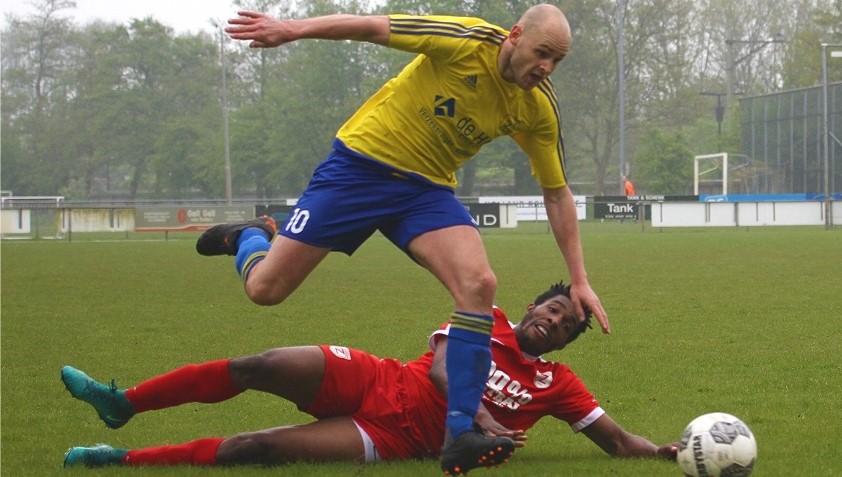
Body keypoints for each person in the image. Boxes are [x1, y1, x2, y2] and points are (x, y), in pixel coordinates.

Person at [195, 5, 610, 474]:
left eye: (557, 61)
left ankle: (459, 435)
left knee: (479, 284)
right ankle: (251, 236)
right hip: (360, 167)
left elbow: (556, 193)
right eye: (542, 54)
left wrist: (579, 280)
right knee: (265, 290)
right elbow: (373, 27)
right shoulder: (464, 40)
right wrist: (291, 30)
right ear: (514, 36)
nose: (547, 68)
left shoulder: (537, 106)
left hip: (425, 191)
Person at [62, 283, 676, 471]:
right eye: (550, 309)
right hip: (379, 381)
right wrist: (484, 420)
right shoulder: (483, 318)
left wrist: (667, 453)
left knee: (262, 446)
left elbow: (617, 442)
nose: (553, 321)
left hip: (393, 439)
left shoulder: (558, 385)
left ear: (567, 341)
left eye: (565, 324)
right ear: (529, 308)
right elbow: (440, 368)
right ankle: (124, 403)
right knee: (261, 365)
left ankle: (121, 458)